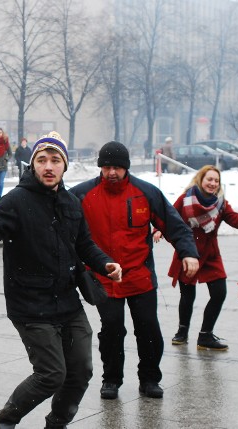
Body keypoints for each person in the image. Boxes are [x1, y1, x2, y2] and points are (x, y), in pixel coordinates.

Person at [0, 131, 122, 429]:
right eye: (42, 160)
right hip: (30, 305)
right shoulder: (17, 201)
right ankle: (5, 421)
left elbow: (84, 243)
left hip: (68, 302)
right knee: (51, 374)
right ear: (33, 164)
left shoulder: (71, 201)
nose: (49, 166)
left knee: (81, 371)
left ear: (65, 165)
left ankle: (57, 423)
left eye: (55, 160)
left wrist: (105, 262)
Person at [69, 141, 199, 401]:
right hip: (104, 279)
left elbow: (175, 225)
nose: (111, 172)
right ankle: (111, 379)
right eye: (106, 167)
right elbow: (57, 223)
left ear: (126, 168)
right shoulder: (82, 195)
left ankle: (150, 378)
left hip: (140, 278)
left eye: (117, 167)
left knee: (149, 329)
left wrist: (188, 252)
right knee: (112, 329)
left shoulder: (146, 193)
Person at [155, 165, 238, 351]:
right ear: (201, 179)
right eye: (209, 179)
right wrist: (157, 229)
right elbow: (169, 216)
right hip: (188, 252)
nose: (213, 183)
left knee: (219, 293)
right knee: (187, 295)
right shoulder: (186, 199)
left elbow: (236, 222)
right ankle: (182, 332)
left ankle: (205, 336)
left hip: (211, 254)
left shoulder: (221, 203)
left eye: (216, 181)